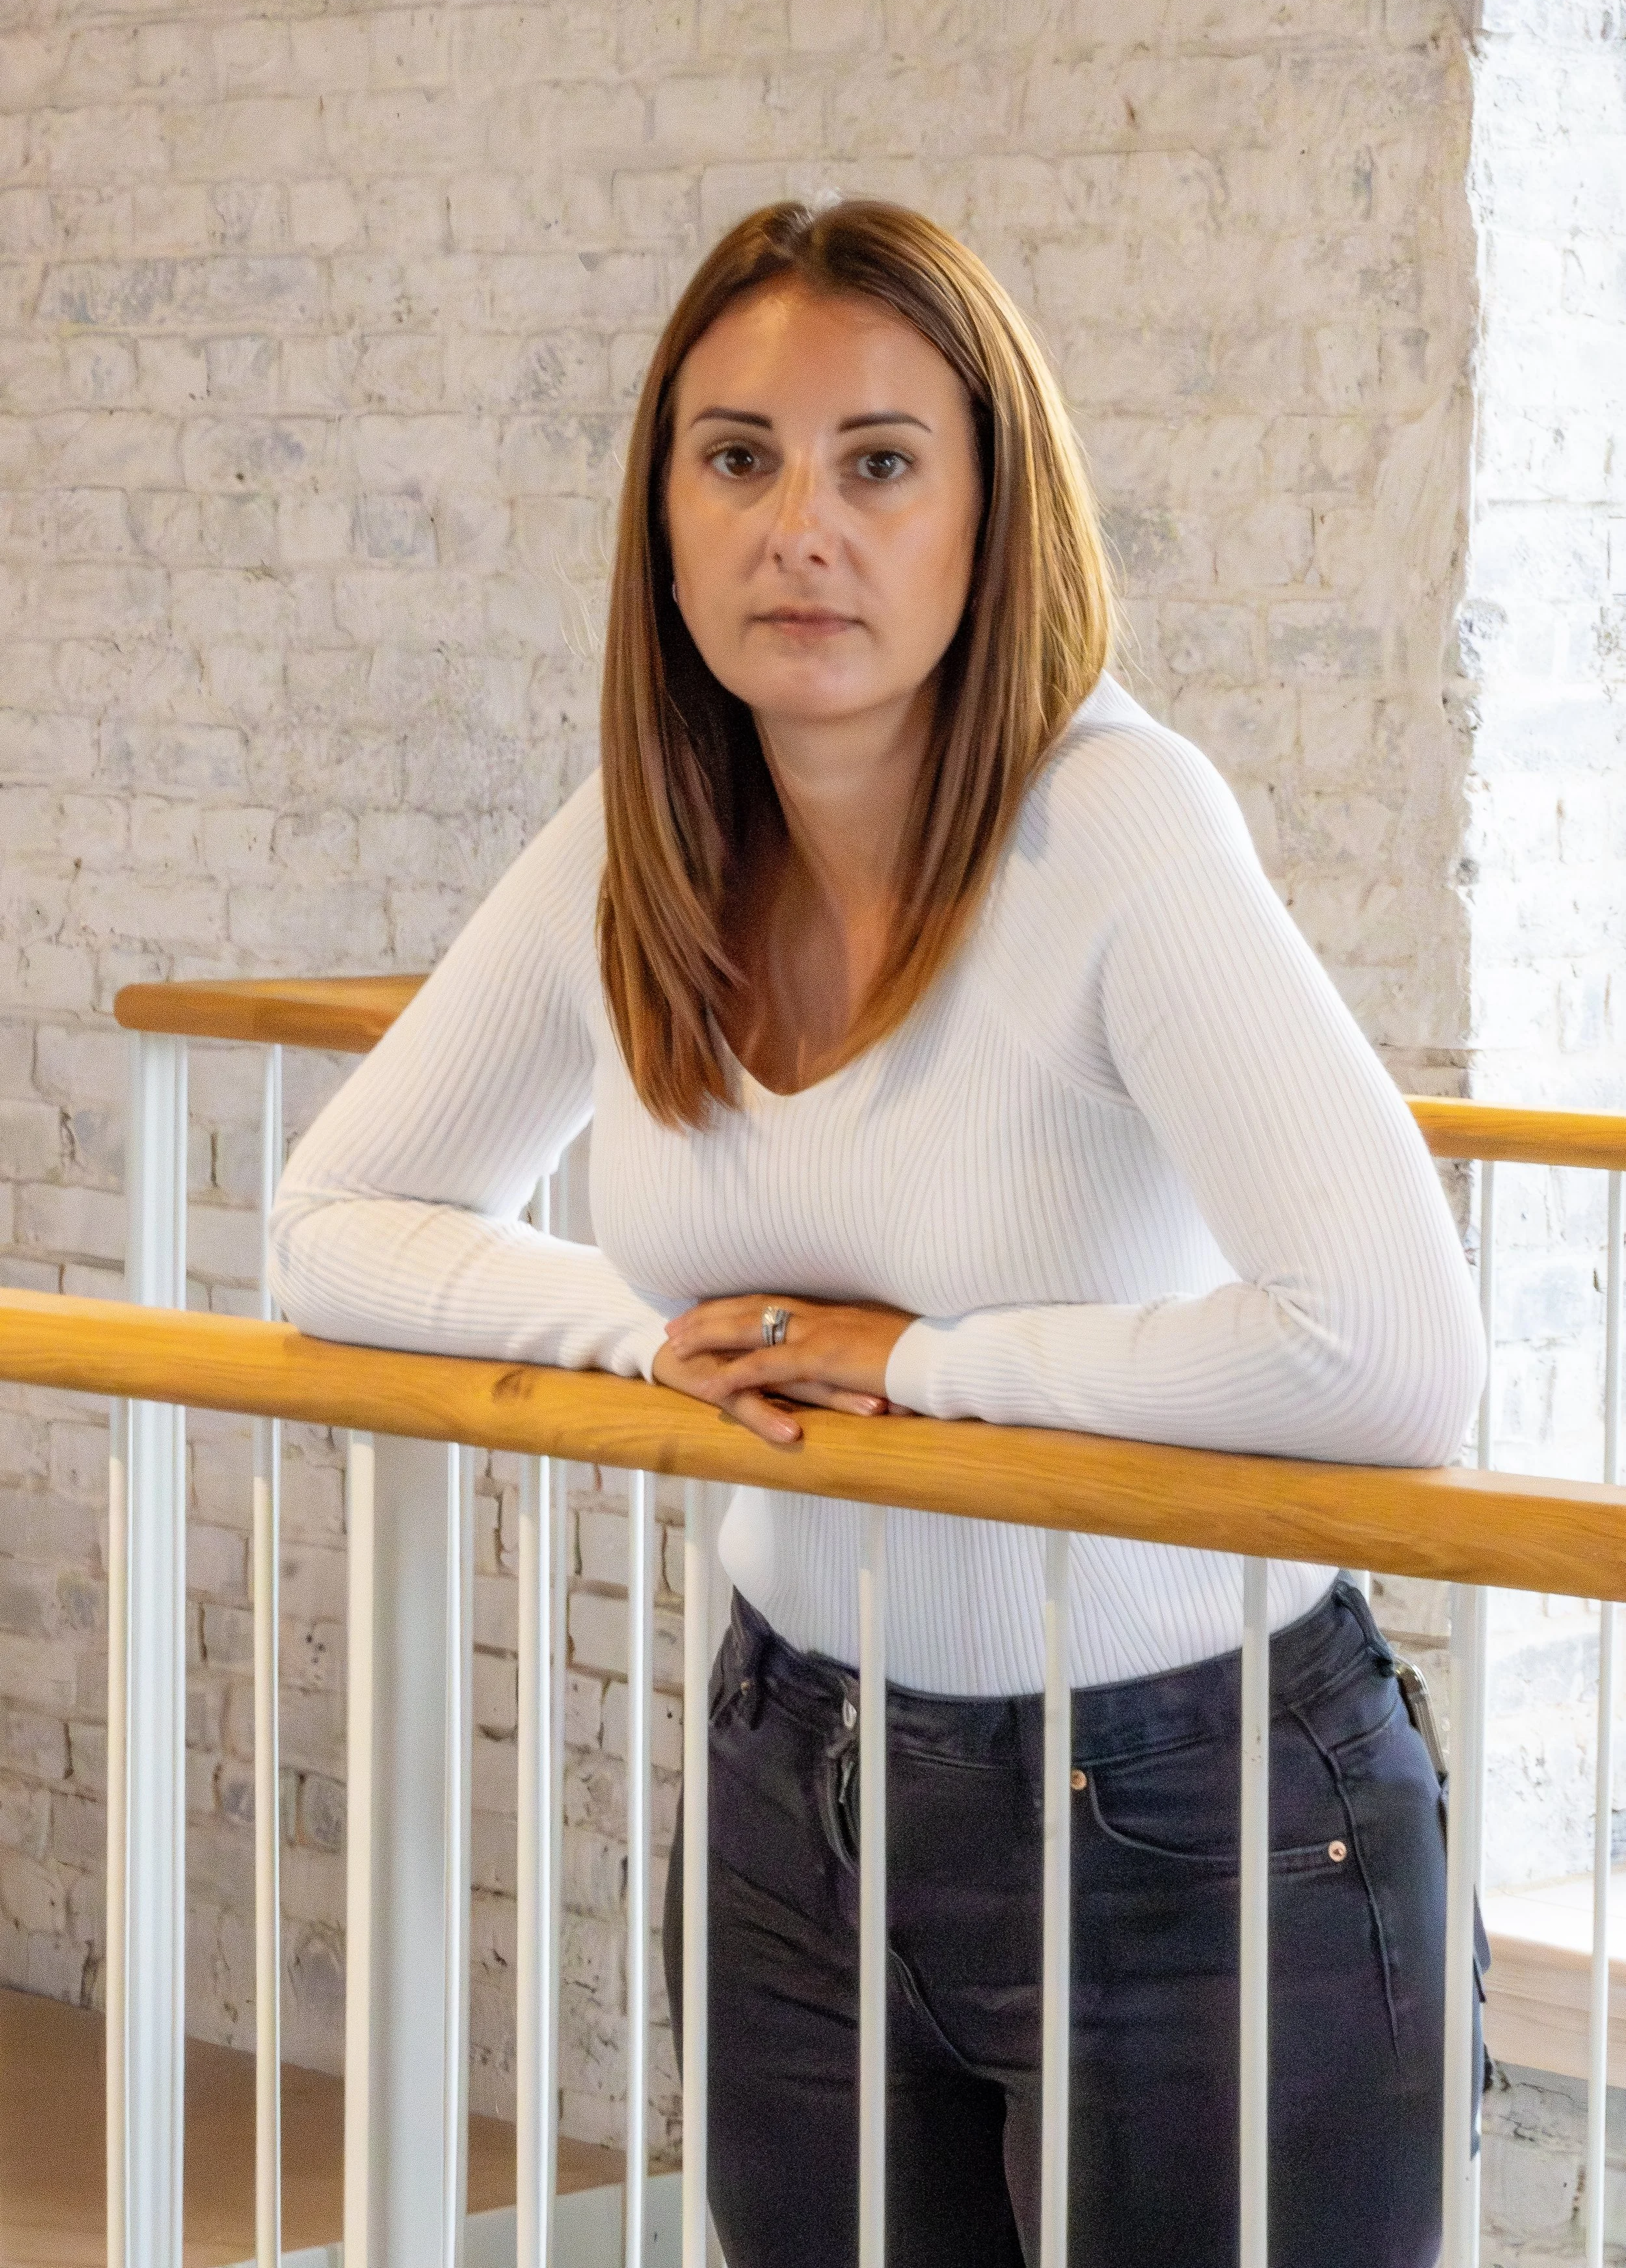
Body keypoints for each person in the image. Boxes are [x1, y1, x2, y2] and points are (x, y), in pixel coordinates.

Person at [270, 199, 1486, 2267]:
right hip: (794, 1782)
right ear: (662, 514)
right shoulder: (638, 835)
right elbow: (329, 1223)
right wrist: (638, 1327)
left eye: (878, 461)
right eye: (735, 456)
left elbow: (1386, 1353)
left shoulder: (1113, 826)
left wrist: (916, 1361)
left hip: (1196, 1811)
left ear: (991, 513)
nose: (797, 527)